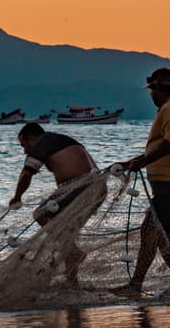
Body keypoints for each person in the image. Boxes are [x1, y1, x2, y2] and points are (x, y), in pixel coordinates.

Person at [113, 68, 170, 296]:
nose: (151, 95)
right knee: (157, 233)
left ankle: (139, 285)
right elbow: (162, 145)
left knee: (152, 231)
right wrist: (133, 161)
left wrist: (143, 163)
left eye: (152, 90)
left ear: (159, 89)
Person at [9, 122, 104, 286]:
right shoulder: (62, 140)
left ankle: (73, 254)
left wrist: (17, 197)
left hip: (79, 186)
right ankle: (72, 282)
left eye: (23, 145)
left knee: (41, 213)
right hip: (99, 189)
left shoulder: (42, 141)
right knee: (68, 233)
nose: (25, 151)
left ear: (31, 138)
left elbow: (27, 172)